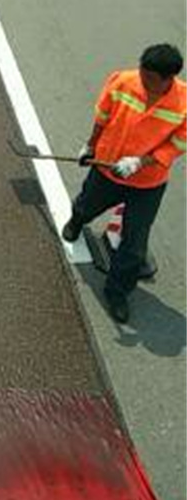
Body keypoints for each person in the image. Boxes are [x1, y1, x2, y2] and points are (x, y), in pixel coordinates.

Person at [62, 44, 186, 324]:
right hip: (107, 168)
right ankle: (77, 221)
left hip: (148, 183)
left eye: (149, 78)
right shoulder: (122, 81)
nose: (142, 80)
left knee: (134, 244)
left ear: (168, 79)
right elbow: (102, 116)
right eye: (142, 73)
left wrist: (140, 163)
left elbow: (178, 144)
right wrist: (90, 145)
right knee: (87, 205)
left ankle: (117, 292)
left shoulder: (184, 104)